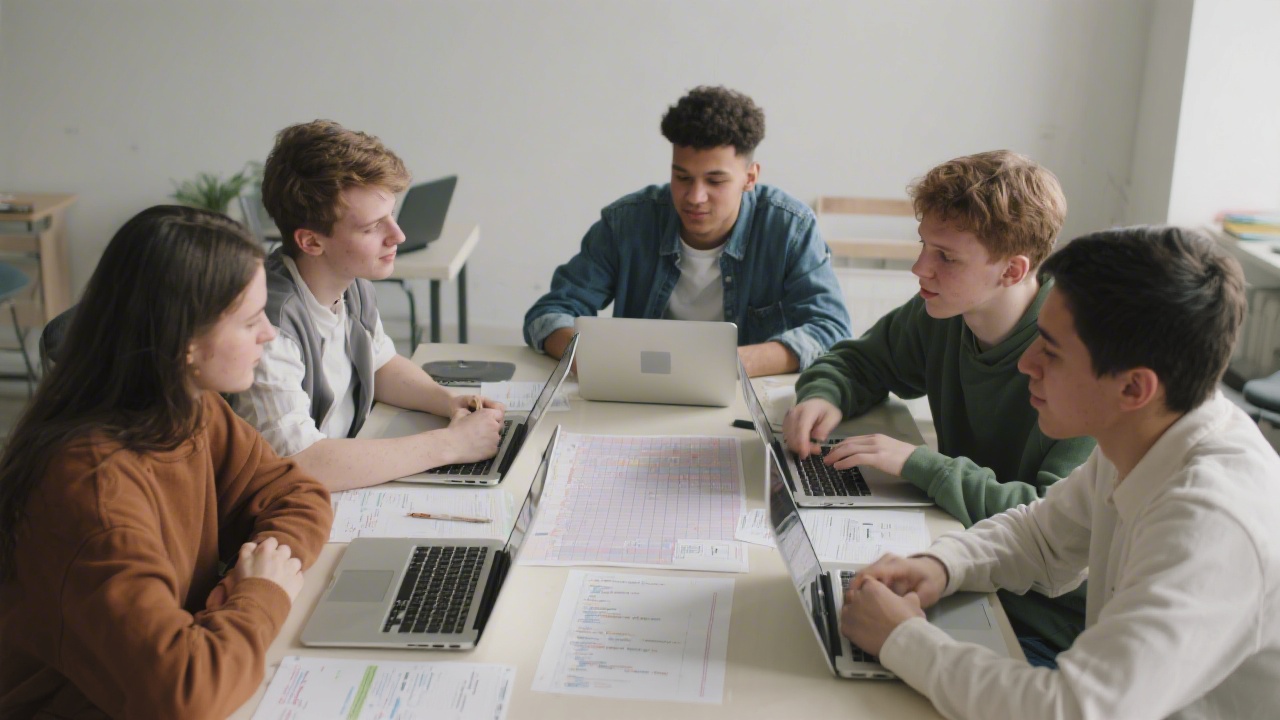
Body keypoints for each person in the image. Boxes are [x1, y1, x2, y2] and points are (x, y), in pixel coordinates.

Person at [842, 226, 1280, 719]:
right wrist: (941, 566)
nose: (1026, 363)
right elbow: (1043, 536)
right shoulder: (1149, 431)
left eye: (1050, 350)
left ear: (1134, 388)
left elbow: (1077, 710)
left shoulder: (1212, 523)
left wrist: (903, 639)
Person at [0, 206, 333, 718]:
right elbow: (186, 694)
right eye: (250, 321)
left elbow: (298, 494)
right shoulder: (91, 490)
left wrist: (238, 594)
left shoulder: (186, 405)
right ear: (185, 344)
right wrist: (258, 595)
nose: (269, 334)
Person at [784, 150, 1096, 662]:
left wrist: (917, 463)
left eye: (946, 257)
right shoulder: (945, 311)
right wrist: (824, 394)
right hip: (962, 563)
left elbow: (1053, 529)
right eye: (924, 246)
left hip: (1041, 619)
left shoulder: (1076, 359)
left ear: (1012, 270)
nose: (919, 268)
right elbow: (860, 361)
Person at [233, 120, 505, 491]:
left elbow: (381, 365)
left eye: (391, 216)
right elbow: (301, 463)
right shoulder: (268, 328)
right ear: (312, 242)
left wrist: (447, 402)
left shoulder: (352, 284)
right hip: (301, 501)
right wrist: (451, 444)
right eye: (372, 227)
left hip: (351, 472)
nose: (398, 236)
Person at [523, 85, 852, 377]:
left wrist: (726, 366)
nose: (695, 197)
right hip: (638, 396)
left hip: (743, 402)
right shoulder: (627, 222)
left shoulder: (789, 227)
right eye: (681, 177)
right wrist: (594, 361)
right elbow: (550, 314)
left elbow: (831, 330)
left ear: (750, 177)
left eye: (715, 181)